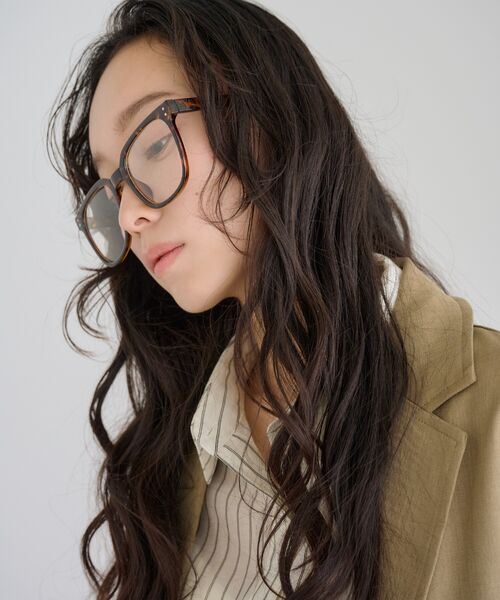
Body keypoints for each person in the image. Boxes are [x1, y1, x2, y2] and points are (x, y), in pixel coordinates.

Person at [46, 1, 500, 599]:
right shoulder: (175, 458)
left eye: (152, 146)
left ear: (265, 117)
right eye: (111, 190)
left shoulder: (489, 407)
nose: (129, 215)